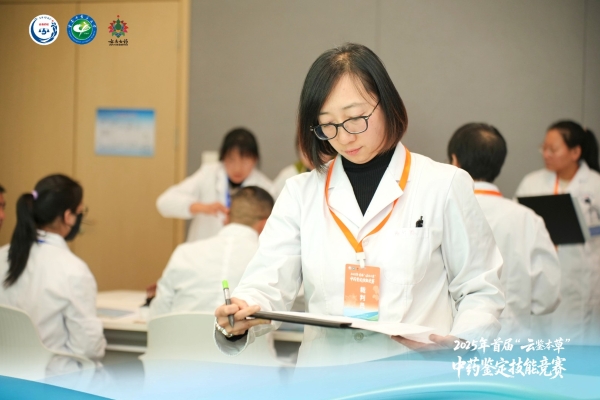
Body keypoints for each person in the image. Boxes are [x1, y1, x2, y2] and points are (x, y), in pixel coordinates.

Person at [214, 43, 504, 367]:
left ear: (387, 104)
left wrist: (463, 343)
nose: (344, 137)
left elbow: (480, 289)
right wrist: (240, 313)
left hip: (414, 378)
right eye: (328, 124)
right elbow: (267, 281)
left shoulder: (443, 184)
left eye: (354, 118)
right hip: (328, 380)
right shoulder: (300, 193)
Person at [448, 123, 560, 340]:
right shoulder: (528, 219)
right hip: (514, 343)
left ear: (454, 160)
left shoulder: (443, 212)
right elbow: (547, 299)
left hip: (456, 343)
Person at [0, 175, 106, 370]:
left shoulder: (2, 256)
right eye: (80, 212)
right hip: (54, 380)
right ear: (68, 217)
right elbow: (89, 349)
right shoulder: (72, 269)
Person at [515, 120, 600, 344]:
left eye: (553, 149)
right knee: (544, 340)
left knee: (580, 343)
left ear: (575, 152)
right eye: (543, 148)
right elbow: (518, 223)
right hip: (543, 274)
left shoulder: (595, 184)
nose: (546, 154)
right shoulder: (532, 182)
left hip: (583, 277)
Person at [150, 186, 274, 317]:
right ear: (267, 223)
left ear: (226, 216)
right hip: (242, 331)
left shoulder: (184, 252)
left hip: (181, 331)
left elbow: (157, 315)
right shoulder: (270, 260)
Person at [156, 128, 274, 242]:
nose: (237, 168)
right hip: (204, 249)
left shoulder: (266, 188)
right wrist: (202, 207)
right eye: (231, 160)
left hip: (242, 251)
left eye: (245, 160)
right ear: (223, 158)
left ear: (255, 160)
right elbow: (164, 202)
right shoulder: (208, 173)